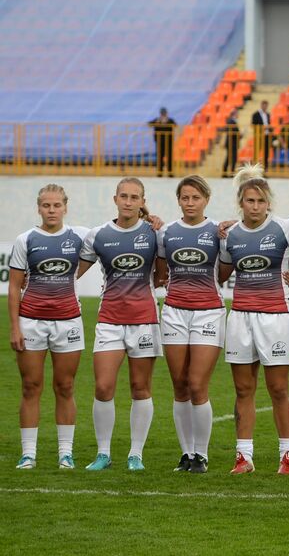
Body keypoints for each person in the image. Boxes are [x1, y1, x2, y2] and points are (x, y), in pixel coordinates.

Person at [76, 178, 161, 470]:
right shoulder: (98, 235)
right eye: (123, 196)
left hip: (145, 320)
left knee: (140, 387)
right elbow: (73, 272)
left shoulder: (154, 234)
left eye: (134, 197)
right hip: (109, 319)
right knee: (102, 387)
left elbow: (164, 274)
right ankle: (103, 453)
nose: (128, 201)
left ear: (142, 201)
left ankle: (135, 454)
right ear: (115, 199)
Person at [220, 166, 289, 474]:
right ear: (241, 202)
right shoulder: (230, 235)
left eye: (260, 201)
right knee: (243, 390)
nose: (255, 206)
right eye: (249, 201)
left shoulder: (284, 229)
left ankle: (287, 455)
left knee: (278, 389)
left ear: (268, 203)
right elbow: (223, 273)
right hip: (240, 316)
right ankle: (244, 457)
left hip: (276, 316)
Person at [10, 185, 87, 469]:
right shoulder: (25, 240)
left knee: (65, 386)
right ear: (38, 208)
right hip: (31, 322)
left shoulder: (80, 237)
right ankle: (28, 453)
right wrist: (15, 327)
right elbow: (15, 286)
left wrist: (150, 217)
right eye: (46, 205)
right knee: (31, 386)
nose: (51, 210)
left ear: (65, 207)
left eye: (56, 205)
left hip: (68, 322)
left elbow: (114, 232)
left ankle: (65, 452)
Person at [156, 176, 224, 473]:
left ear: (206, 199)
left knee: (198, 384)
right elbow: (160, 271)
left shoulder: (219, 232)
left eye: (196, 197)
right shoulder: (167, 232)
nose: (190, 203)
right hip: (174, 312)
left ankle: (202, 454)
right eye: (185, 198)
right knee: (180, 385)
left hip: (208, 312)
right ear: (179, 200)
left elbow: (226, 269)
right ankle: (186, 454)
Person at [149, 108, 176, 177]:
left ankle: (170, 173)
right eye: (162, 113)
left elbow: (175, 125)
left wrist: (167, 122)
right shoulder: (157, 120)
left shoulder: (170, 120)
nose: (163, 114)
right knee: (159, 157)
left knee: (169, 157)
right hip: (159, 142)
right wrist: (157, 122)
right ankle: (159, 173)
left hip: (169, 142)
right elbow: (149, 124)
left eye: (164, 113)